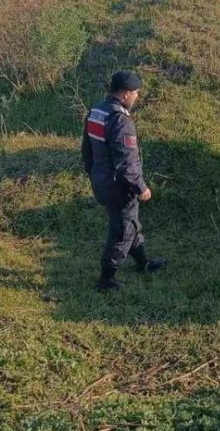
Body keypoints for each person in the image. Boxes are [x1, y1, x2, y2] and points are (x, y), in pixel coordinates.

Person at [81, 70, 167, 291]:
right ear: (127, 94)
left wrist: (92, 173)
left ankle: (143, 263)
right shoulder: (120, 120)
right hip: (119, 186)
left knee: (129, 223)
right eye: (136, 93)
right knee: (123, 231)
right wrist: (141, 187)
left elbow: (87, 149)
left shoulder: (96, 111)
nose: (137, 97)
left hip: (100, 180)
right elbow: (126, 162)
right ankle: (106, 279)